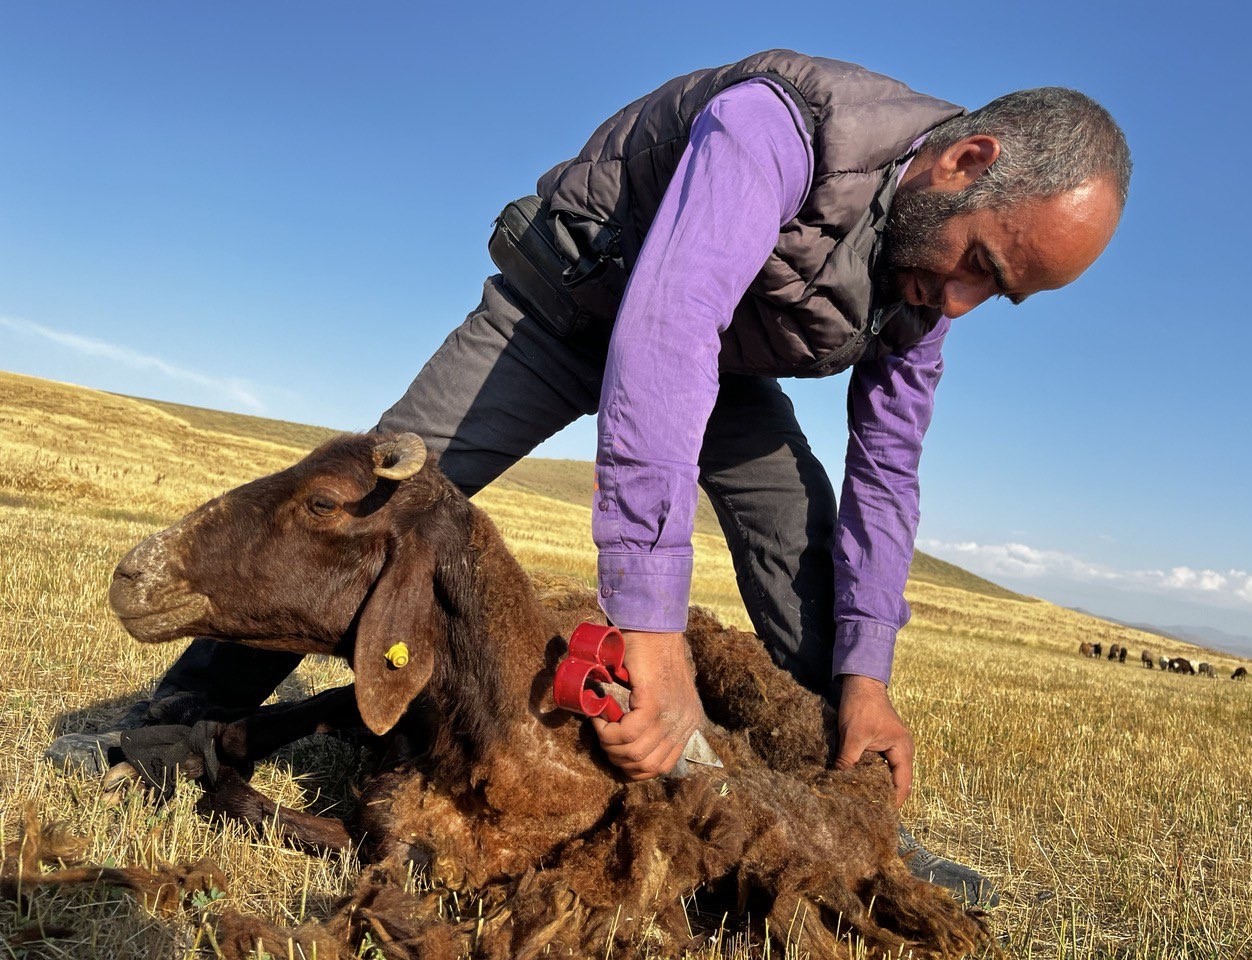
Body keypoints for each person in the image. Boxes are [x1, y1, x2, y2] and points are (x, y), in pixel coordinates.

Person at [48, 50, 1130, 908]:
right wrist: (651, 641)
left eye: (998, 296)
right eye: (981, 266)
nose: (956, 307)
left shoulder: (916, 275)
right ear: (966, 159)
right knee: (373, 508)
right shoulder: (777, 127)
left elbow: (886, 475)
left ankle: (827, 822)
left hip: (722, 368)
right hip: (562, 313)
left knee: (806, 561)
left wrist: (869, 680)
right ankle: (178, 716)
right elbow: (661, 331)